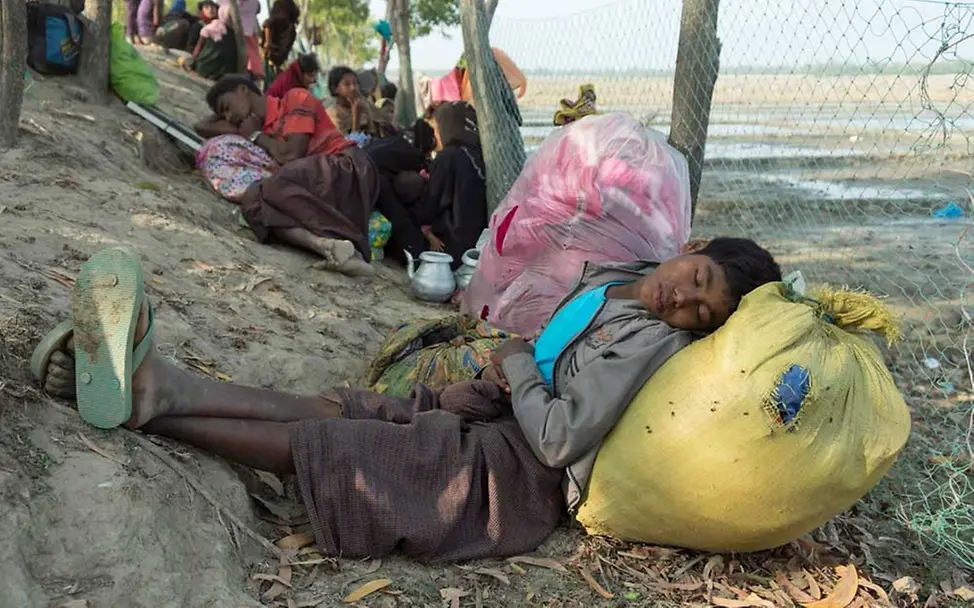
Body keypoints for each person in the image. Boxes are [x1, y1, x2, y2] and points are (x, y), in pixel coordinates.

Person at [31, 237, 781, 561]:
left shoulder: (652, 341)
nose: (682, 302)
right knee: (351, 408)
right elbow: (555, 360)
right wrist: (505, 375)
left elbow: (558, 439)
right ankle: (168, 382)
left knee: (356, 449)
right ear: (693, 249)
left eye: (701, 315)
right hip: (500, 412)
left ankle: (151, 410)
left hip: (517, 474)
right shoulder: (622, 276)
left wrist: (517, 368)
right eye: (698, 281)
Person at [194, 75, 377, 275]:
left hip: (345, 167)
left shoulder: (295, 98)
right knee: (253, 202)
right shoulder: (257, 127)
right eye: (223, 115)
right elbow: (201, 126)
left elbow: (291, 155)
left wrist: (255, 136)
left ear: (243, 90)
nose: (228, 117)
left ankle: (351, 245)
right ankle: (328, 246)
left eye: (227, 107)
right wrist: (246, 127)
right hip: (318, 182)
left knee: (272, 185)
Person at [397, 101, 487, 269]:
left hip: (453, 244)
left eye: (437, 128)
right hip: (478, 239)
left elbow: (431, 205)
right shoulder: (479, 154)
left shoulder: (448, 157)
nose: (436, 135)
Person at [325, 66, 392, 139]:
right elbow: (347, 144)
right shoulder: (333, 114)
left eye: (355, 83)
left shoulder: (364, 104)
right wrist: (356, 116)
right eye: (347, 84)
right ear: (335, 89)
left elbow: (373, 134)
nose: (353, 88)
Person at [185, 2, 237, 81]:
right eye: (206, 7)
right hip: (206, 61)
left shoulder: (228, 30)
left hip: (211, 66)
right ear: (202, 10)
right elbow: (192, 46)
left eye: (213, 7)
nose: (210, 10)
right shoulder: (198, 25)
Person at [262, 0, 300, 88]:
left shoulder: (283, 22)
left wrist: (268, 43)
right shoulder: (290, 29)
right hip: (275, 63)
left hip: (272, 62)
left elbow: (267, 23)